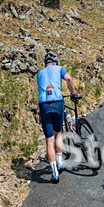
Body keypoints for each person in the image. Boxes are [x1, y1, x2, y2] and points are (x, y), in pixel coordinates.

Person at [36, 51, 78, 183]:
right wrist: (73, 93)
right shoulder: (59, 69)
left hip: (44, 105)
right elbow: (69, 79)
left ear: (45, 63)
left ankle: (54, 174)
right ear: (55, 62)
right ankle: (60, 163)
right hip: (57, 103)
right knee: (58, 133)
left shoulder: (39, 73)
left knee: (49, 140)